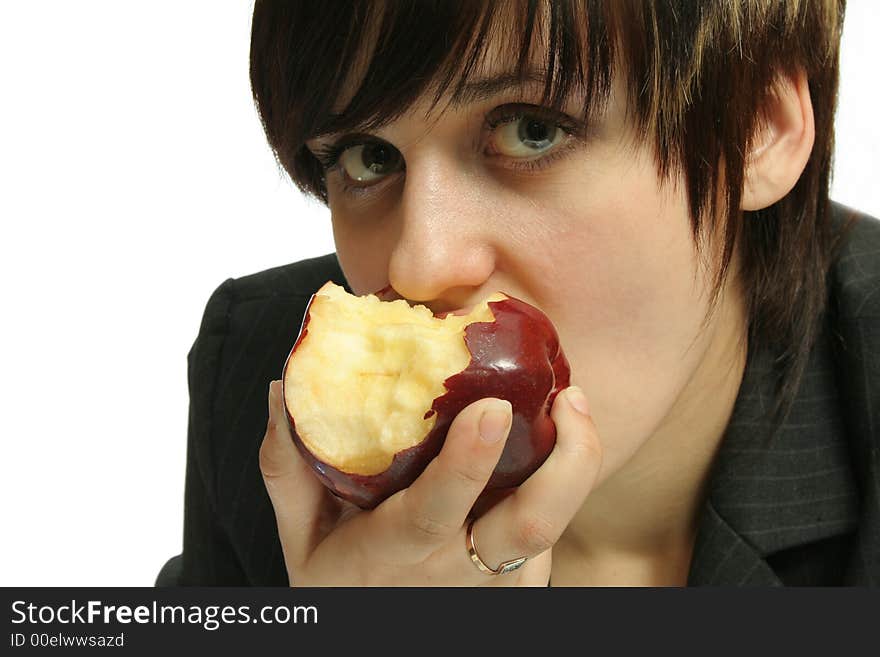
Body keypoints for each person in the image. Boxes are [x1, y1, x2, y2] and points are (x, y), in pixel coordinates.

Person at [157, 0, 879, 586]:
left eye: (532, 130)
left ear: (759, 127)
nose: (419, 264)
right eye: (369, 156)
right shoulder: (257, 392)